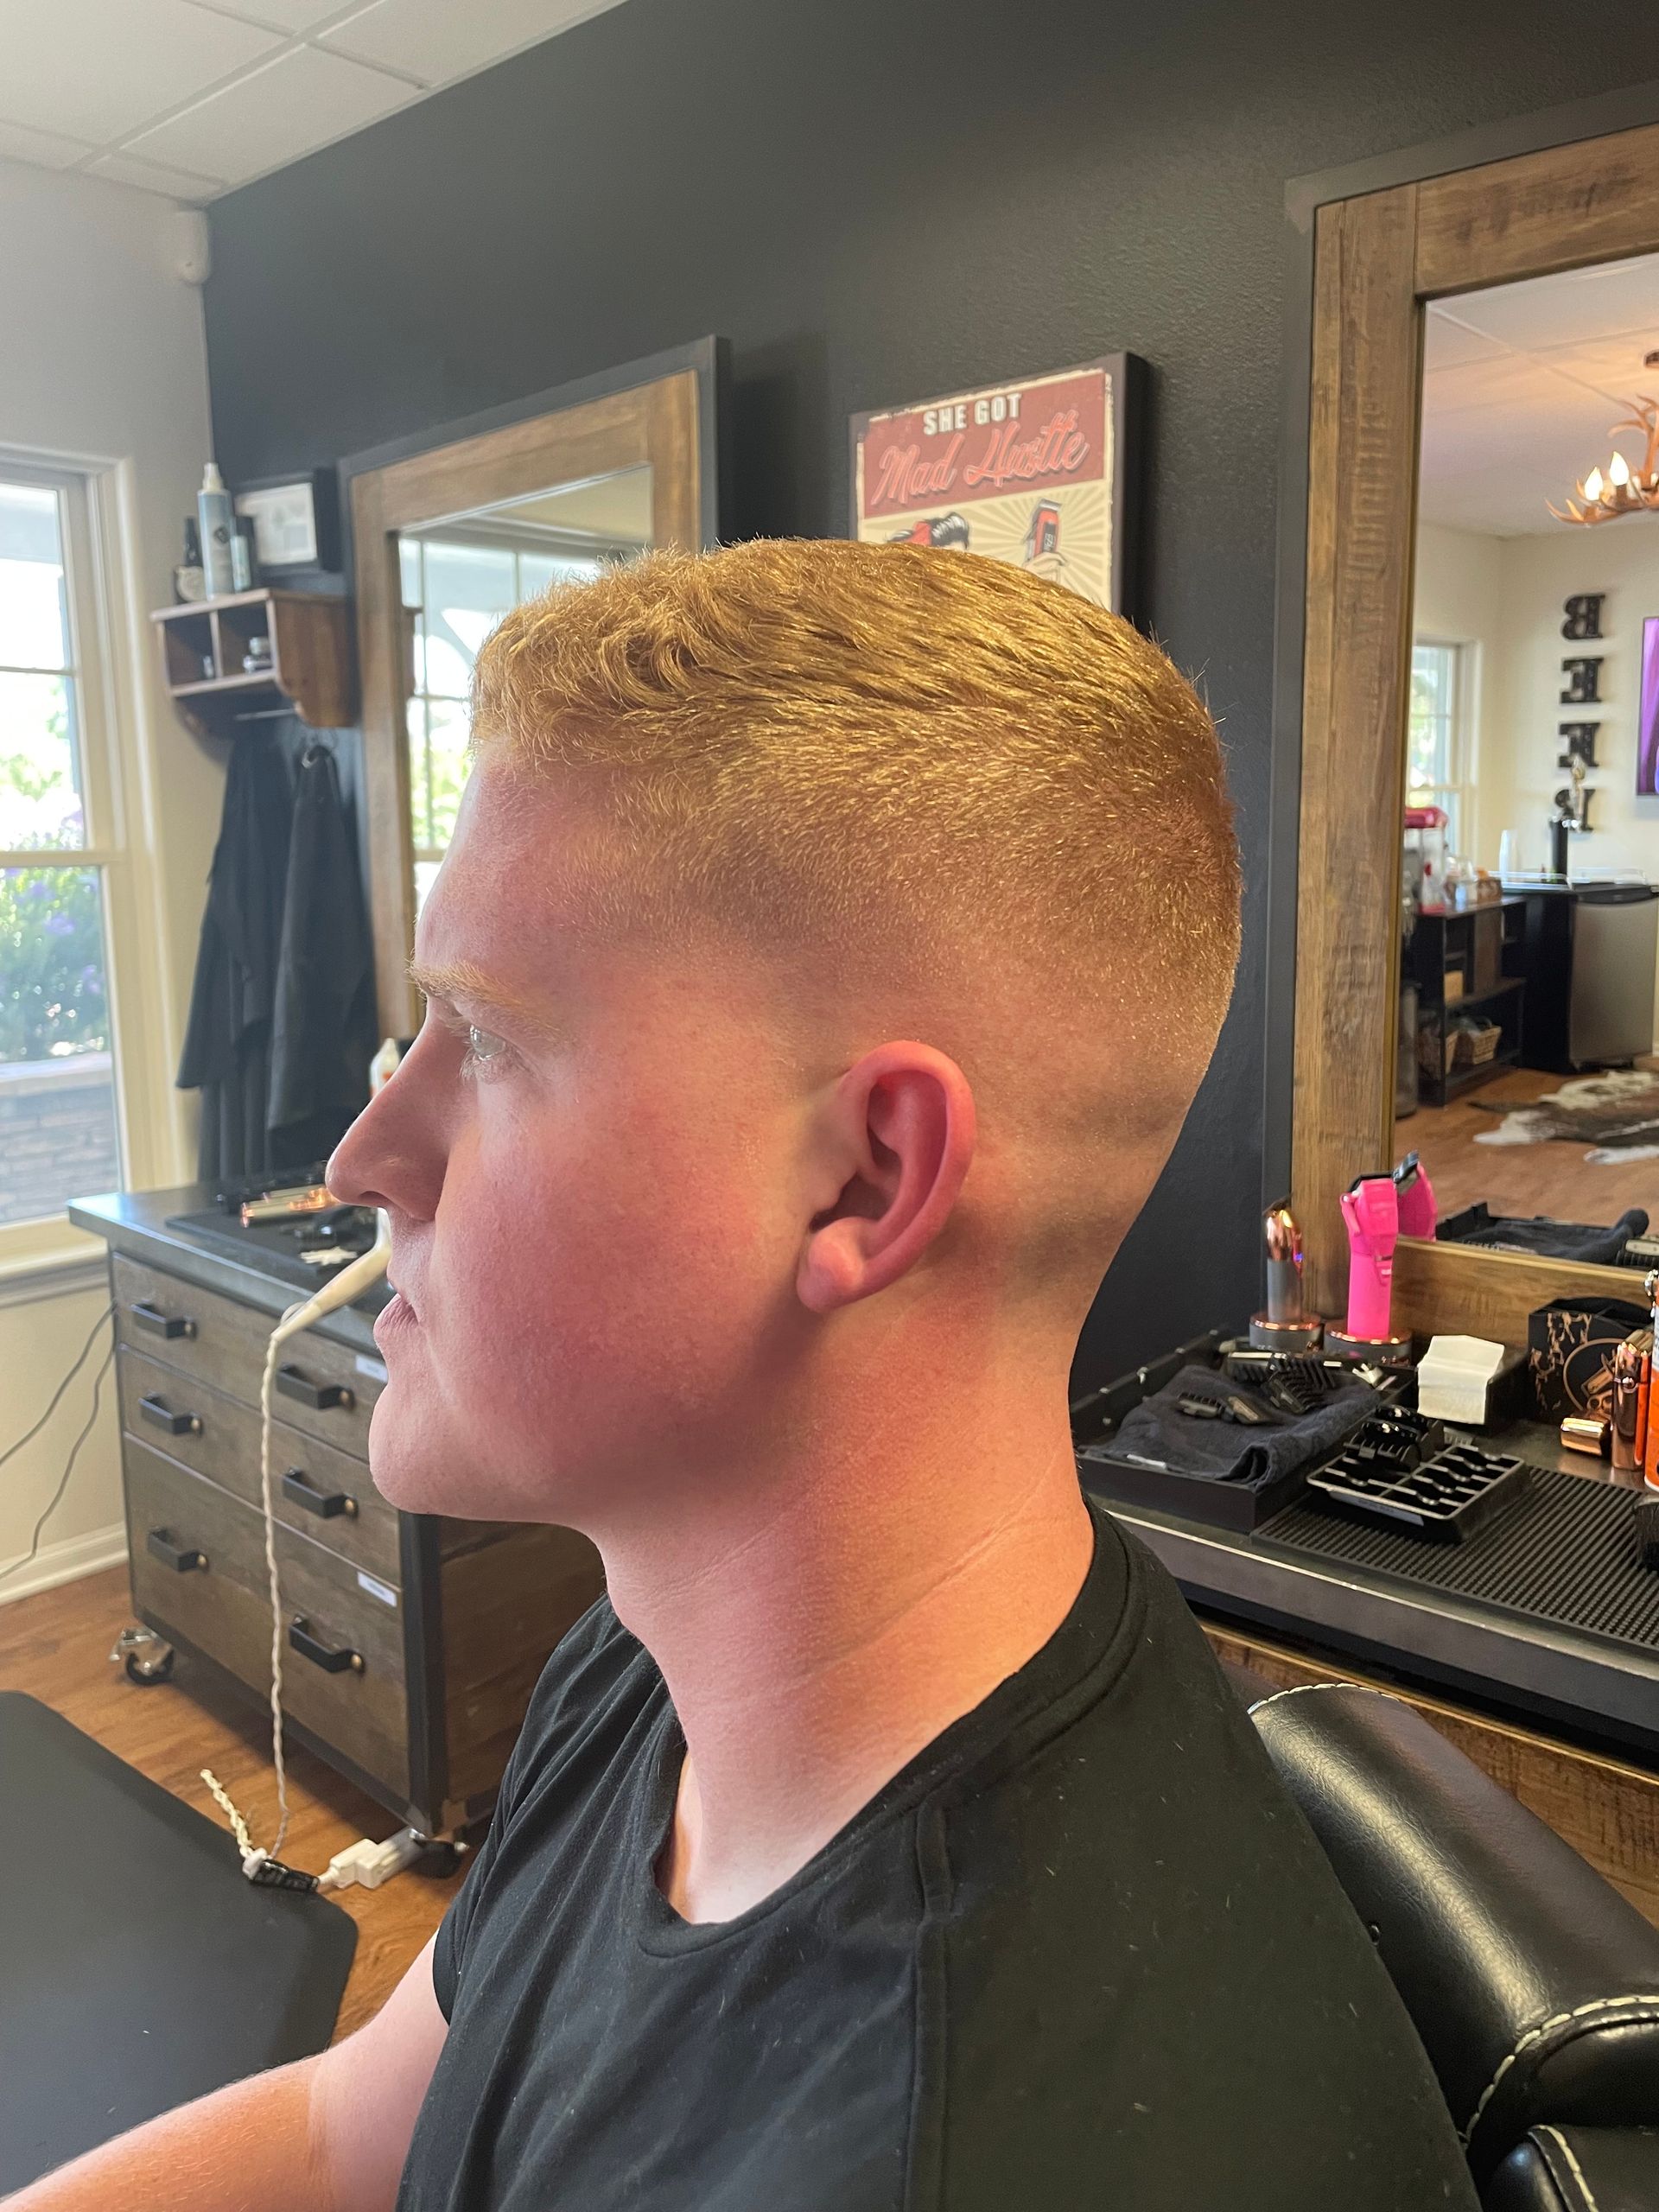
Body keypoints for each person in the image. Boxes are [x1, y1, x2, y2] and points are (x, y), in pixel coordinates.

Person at [6, 540, 1478, 2211]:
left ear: (863, 1181)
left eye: (488, 1042)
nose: (364, 1155)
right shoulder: (682, 1668)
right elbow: (358, 2129)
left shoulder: (947, 2149)